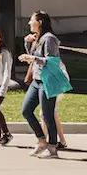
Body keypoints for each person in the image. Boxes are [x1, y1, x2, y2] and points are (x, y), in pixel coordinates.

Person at [17, 11, 64, 159]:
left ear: (40, 22)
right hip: (37, 81)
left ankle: (52, 148)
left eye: (32, 20)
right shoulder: (39, 38)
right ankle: (41, 141)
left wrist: (30, 57)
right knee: (26, 110)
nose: (29, 23)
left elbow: (51, 61)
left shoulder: (49, 39)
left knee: (48, 115)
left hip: (47, 81)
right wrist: (27, 43)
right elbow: (35, 57)